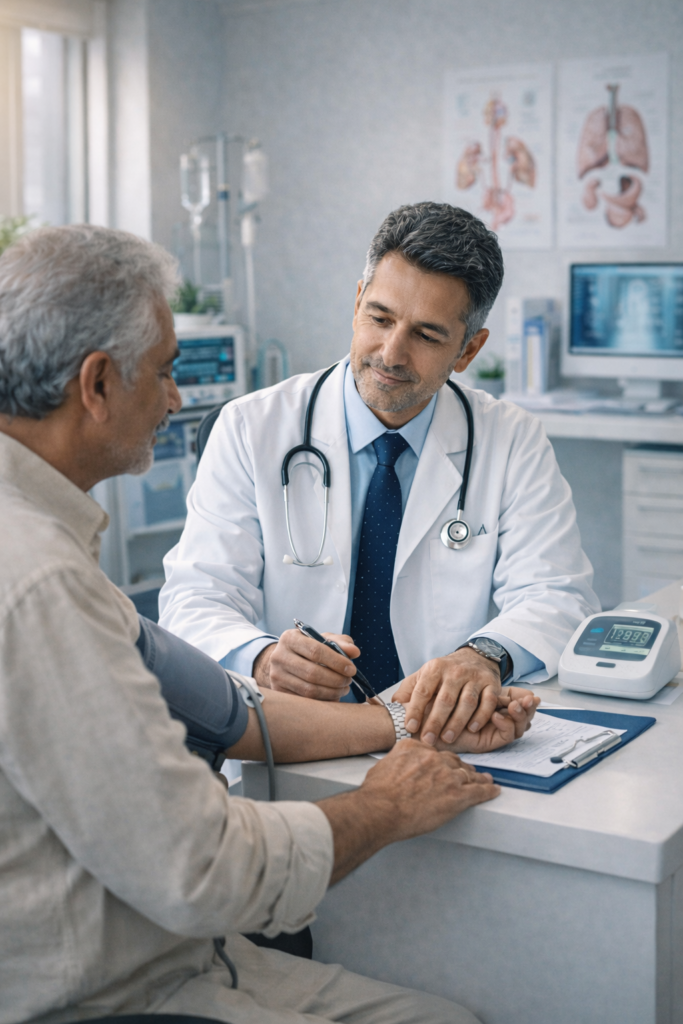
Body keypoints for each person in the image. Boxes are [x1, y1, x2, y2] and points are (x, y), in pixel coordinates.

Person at [0, 224, 540, 1024]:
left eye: (427, 334)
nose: (176, 399)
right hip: (117, 987)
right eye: (166, 371)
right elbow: (202, 871)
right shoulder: (39, 580)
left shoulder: (49, 551)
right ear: (98, 384)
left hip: (175, 949)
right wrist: (383, 804)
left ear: (467, 348)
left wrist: (413, 715)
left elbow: (213, 706)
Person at [160, 201, 600, 746]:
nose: (391, 354)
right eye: (380, 318)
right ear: (356, 303)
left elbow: (558, 594)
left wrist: (482, 657)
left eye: (427, 335)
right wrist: (264, 658)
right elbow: (196, 597)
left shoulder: (511, 440)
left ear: (468, 350)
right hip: (292, 736)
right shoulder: (251, 428)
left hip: (437, 736)